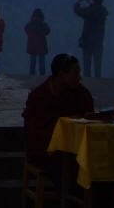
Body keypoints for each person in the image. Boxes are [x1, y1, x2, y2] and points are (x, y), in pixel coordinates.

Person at [22, 53, 95, 187]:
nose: (79, 77)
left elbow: (90, 116)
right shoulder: (39, 96)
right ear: (62, 74)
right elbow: (33, 132)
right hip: (47, 152)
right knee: (69, 167)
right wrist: (64, 124)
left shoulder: (81, 94)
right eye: (75, 73)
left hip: (76, 149)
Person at [73, 0, 108, 77]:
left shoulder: (90, 10)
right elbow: (97, 9)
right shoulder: (103, 10)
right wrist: (91, 3)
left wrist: (78, 2)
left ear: (94, 1)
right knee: (97, 60)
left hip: (88, 37)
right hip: (99, 38)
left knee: (87, 60)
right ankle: (98, 78)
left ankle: (88, 79)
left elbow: (78, 11)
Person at [24, 8, 50, 75]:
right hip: (42, 45)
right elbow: (48, 31)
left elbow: (26, 29)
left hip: (32, 45)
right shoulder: (43, 24)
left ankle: (31, 75)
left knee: (33, 61)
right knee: (42, 61)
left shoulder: (30, 24)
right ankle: (42, 75)